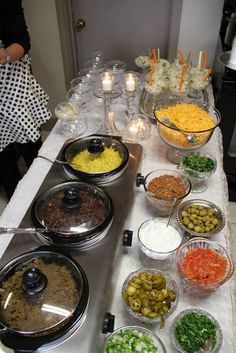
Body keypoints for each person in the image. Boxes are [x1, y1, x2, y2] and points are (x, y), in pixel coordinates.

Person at [0, 0, 51, 199]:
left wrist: (3, 55)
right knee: (2, 156)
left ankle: (45, 191)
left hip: (12, 83)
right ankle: (17, 203)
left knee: (31, 145)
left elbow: (22, 42)